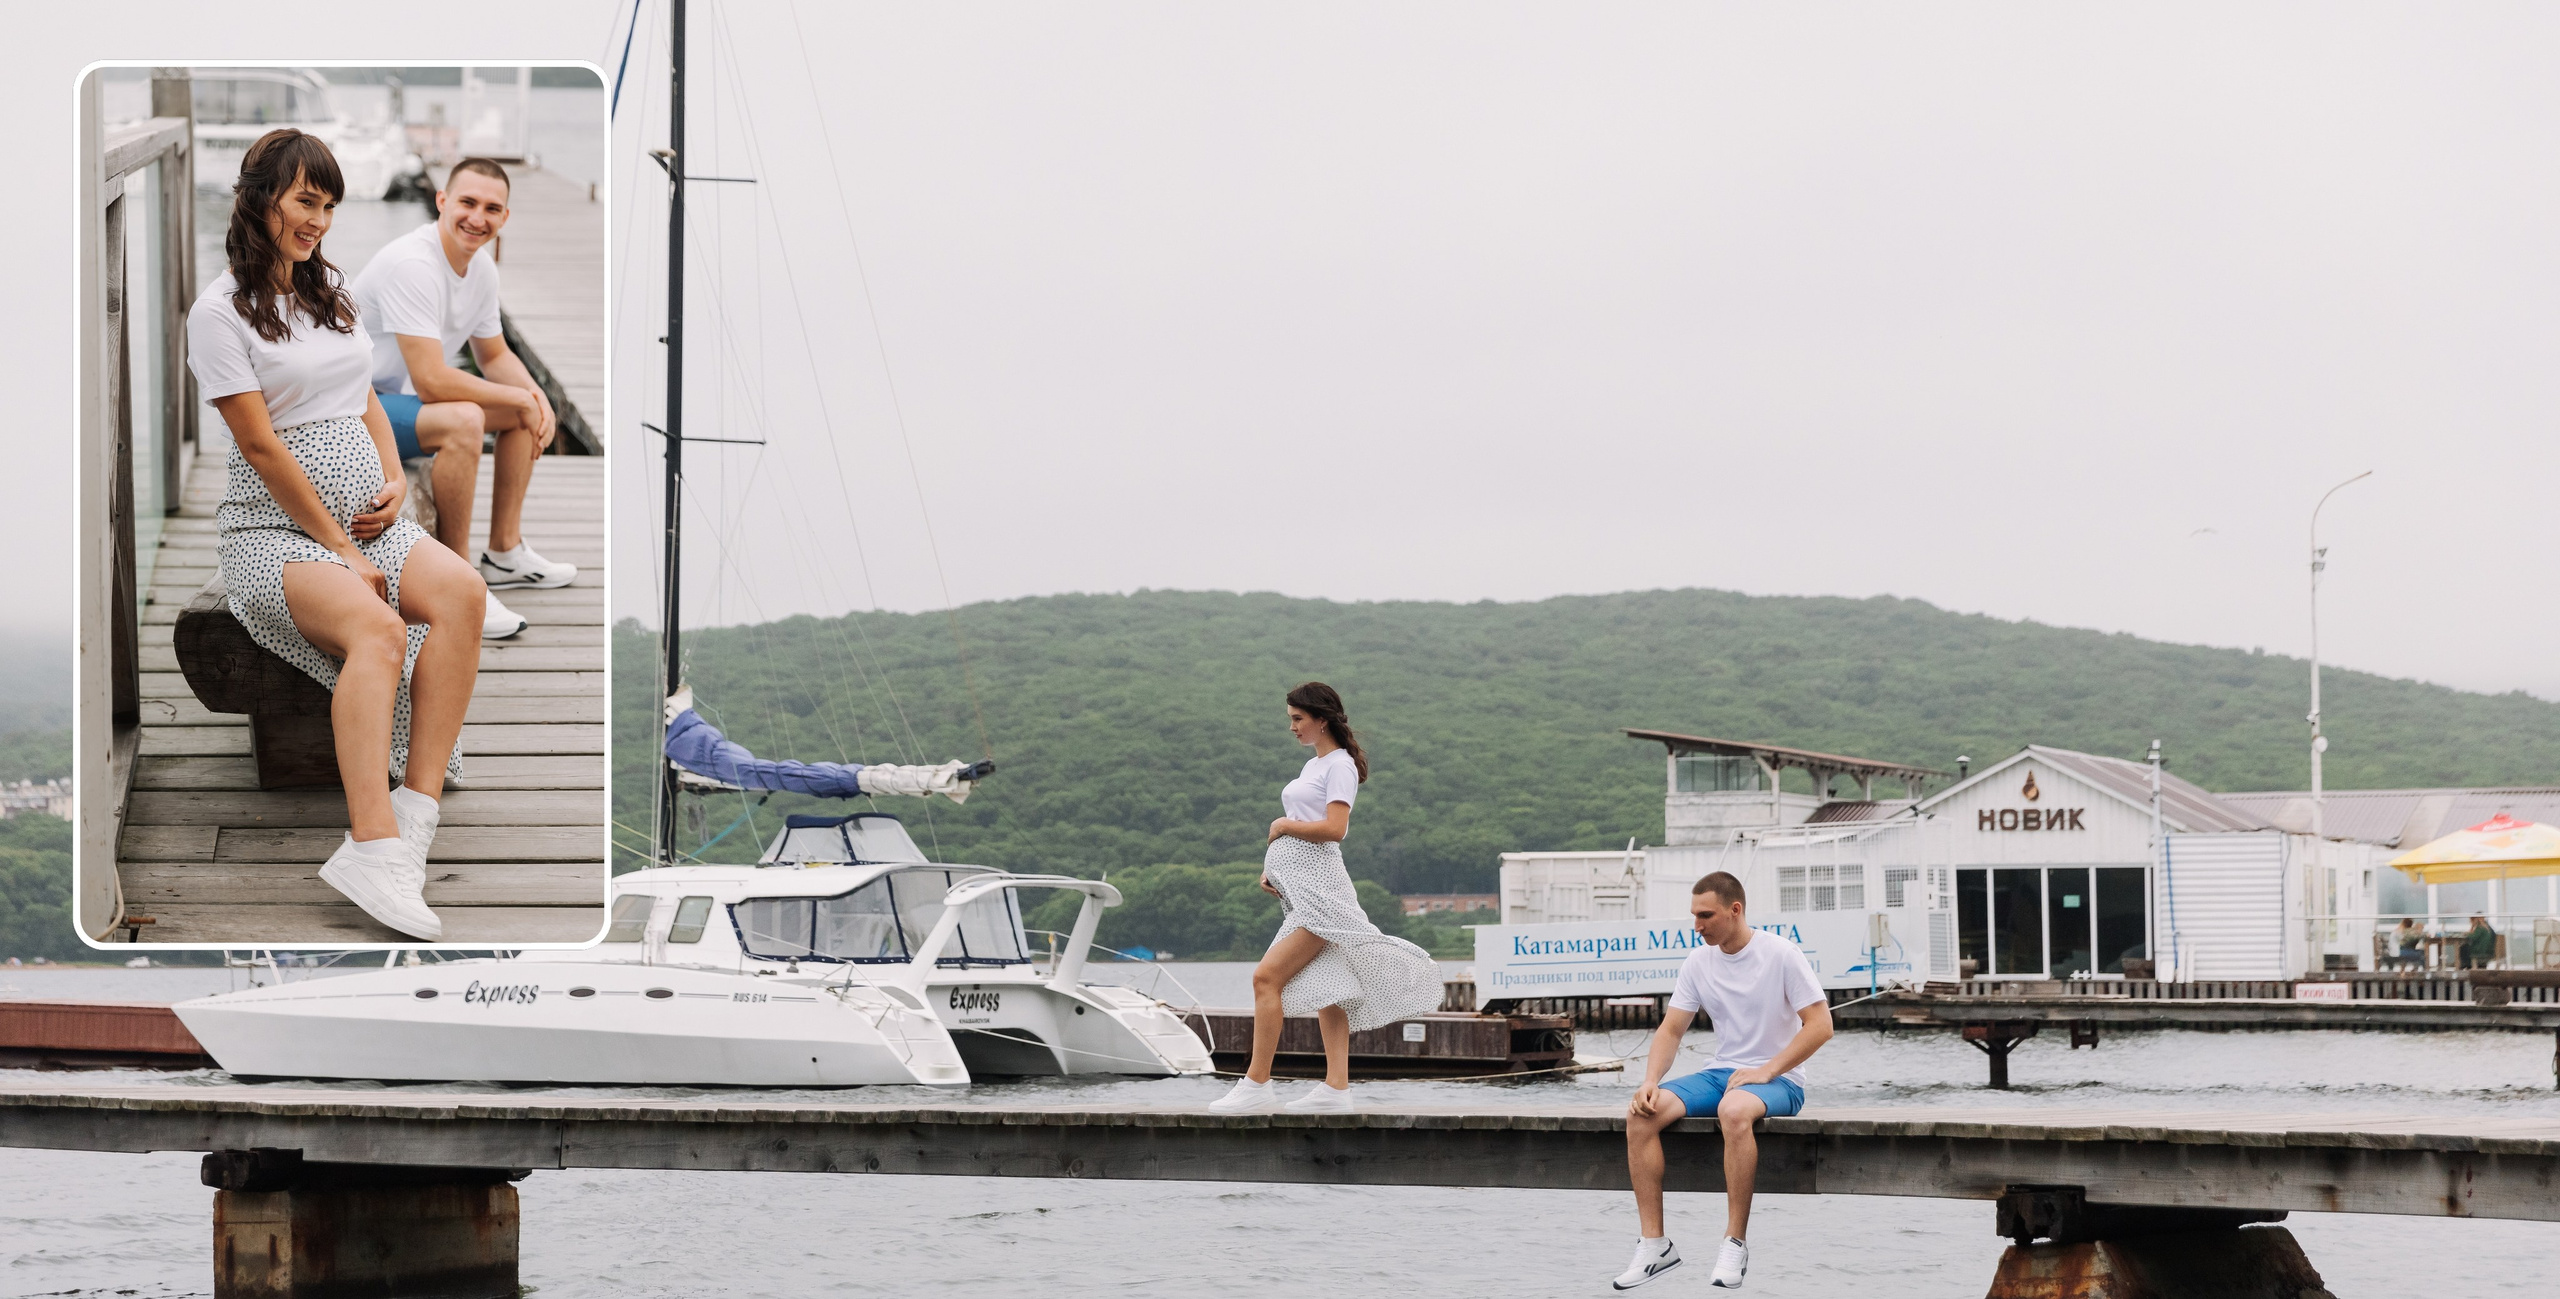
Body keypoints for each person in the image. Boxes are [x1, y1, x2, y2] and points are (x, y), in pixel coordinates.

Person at [185, 129, 486, 941]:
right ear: (261, 200)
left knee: (463, 592)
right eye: (304, 202)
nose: (317, 220)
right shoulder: (220, 314)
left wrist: (393, 479)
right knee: (380, 629)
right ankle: (370, 842)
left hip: (365, 518)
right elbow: (260, 445)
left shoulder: (329, 291)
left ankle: (414, 812)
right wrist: (344, 552)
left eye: (327, 206)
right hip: (272, 533)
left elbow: (362, 395)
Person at [350, 157, 575, 642]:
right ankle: (460, 579)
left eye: (492, 208)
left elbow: (493, 354)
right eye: (467, 202)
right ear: (442, 201)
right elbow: (432, 381)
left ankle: (505, 553)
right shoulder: (413, 264)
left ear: (505, 218)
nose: (478, 217)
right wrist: (519, 396)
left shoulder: (481, 269)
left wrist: (535, 397)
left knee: (522, 411)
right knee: (465, 420)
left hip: (400, 407)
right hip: (356, 413)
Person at [1208, 682, 1442, 1115]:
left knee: (1266, 979)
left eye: (1298, 719)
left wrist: (1281, 826)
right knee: (1329, 986)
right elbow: (1309, 822)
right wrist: (1273, 869)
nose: (1292, 727)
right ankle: (1336, 1089)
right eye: (1290, 719)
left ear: (1322, 718)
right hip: (1303, 891)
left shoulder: (1340, 765)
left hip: (1322, 896)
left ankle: (1257, 1084)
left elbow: (1335, 828)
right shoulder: (1314, 766)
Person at [1616, 871, 1833, 1291]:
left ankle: (1734, 1243)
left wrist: (1768, 1070)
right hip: (1722, 1074)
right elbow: (1671, 1030)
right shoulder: (1698, 961)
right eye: (1694, 916)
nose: (1697, 925)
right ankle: (1655, 1245)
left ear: (1735, 910)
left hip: (1780, 1082)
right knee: (1642, 1114)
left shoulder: (1781, 954)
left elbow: (1821, 1025)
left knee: (1733, 1110)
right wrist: (1650, 1080)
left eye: (1706, 915)